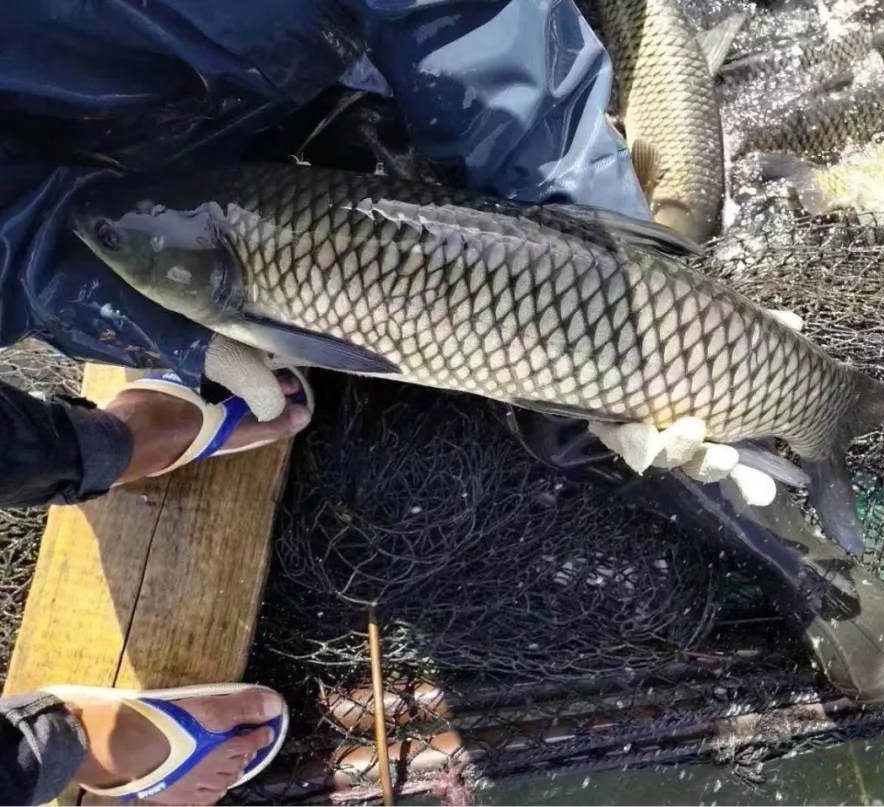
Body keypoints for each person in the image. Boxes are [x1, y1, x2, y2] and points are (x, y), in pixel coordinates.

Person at [0, 0, 787, 803]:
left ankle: (101, 441)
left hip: (292, 85)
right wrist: (167, 327)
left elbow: (466, 18)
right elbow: (18, 234)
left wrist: (594, 243)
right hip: (160, 177)